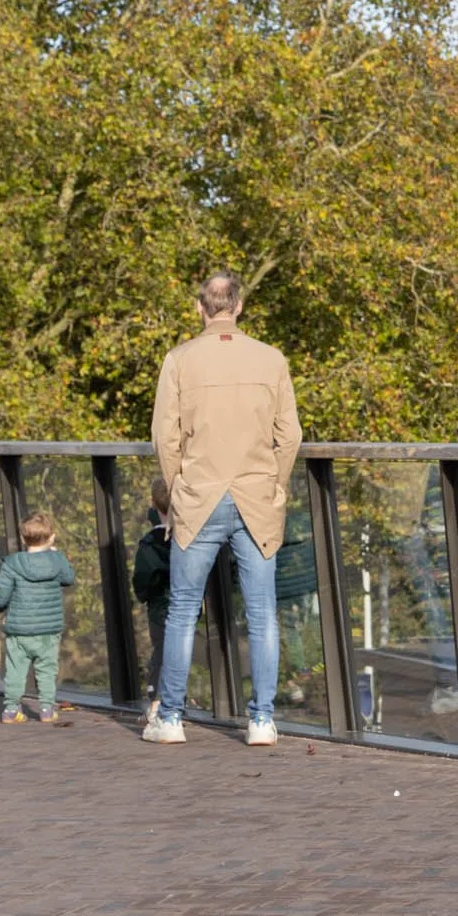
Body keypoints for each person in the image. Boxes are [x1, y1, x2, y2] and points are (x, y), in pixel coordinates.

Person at [144, 267, 302, 749]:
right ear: (239, 306)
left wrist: (178, 487)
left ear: (200, 308)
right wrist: (275, 485)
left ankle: (171, 718)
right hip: (256, 497)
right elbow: (290, 435)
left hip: (199, 496)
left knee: (182, 611)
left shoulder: (179, 360)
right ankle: (262, 720)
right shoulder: (271, 359)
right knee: (262, 613)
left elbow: (164, 437)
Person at [0, 513, 76, 726]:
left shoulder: (12, 563)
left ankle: (11, 710)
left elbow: (2, 595)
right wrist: (57, 555)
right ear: (52, 537)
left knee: (15, 670)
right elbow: (69, 579)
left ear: (23, 538)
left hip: (18, 629)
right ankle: (47, 709)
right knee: (46, 669)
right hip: (48, 630)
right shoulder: (57, 560)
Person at [131, 477, 173, 721]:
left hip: (159, 607)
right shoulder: (191, 539)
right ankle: (174, 700)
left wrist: (144, 595)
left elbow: (142, 579)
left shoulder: (149, 544)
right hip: (186, 605)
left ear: (153, 503)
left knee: (161, 652)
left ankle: (157, 702)